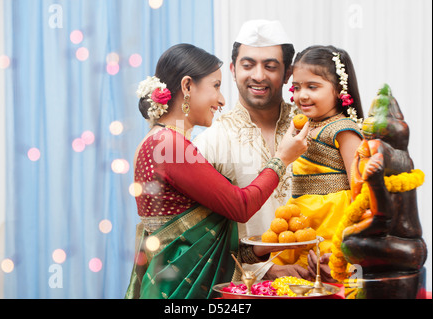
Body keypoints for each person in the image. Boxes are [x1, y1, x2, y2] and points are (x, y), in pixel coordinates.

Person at [125, 43, 309, 299]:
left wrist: (264, 263)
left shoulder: (158, 140)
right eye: (216, 86)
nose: (222, 100)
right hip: (180, 291)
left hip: (167, 283)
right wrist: (281, 159)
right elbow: (240, 206)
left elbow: (200, 236)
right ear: (187, 86)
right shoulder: (169, 146)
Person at [194, 20, 310, 280]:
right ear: (233, 69)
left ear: (288, 73)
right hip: (246, 291)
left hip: (318, 282)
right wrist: (265, 271)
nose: (258, 75)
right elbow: (201, 241)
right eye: (248, 65)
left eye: (270, 66)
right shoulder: (211, 142)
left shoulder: (313, 128)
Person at [278, 45, 364, 282]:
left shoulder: (344, 131)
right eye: (296, 87)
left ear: (339, 89)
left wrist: (347, 245)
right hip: (302, 220)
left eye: (312, 87)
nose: (301, 95)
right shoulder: (303, 126)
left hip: (332, 222)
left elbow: (361, 192)